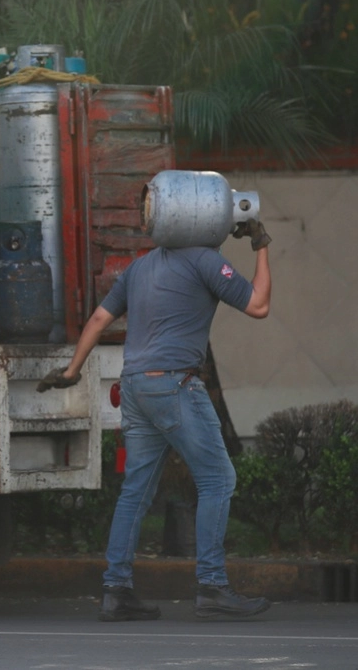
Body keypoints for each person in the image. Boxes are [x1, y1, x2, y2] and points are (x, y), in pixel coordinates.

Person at [37, 206, 273, 622]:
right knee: (219, 479)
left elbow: (97, 318)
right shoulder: (205, 261)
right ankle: (213, 585)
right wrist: (261, 246)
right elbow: (258, 306)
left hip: (135, 387)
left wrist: (72, 371)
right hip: (175, 386)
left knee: (137, 490)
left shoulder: (139, 267)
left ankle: (116, 590)